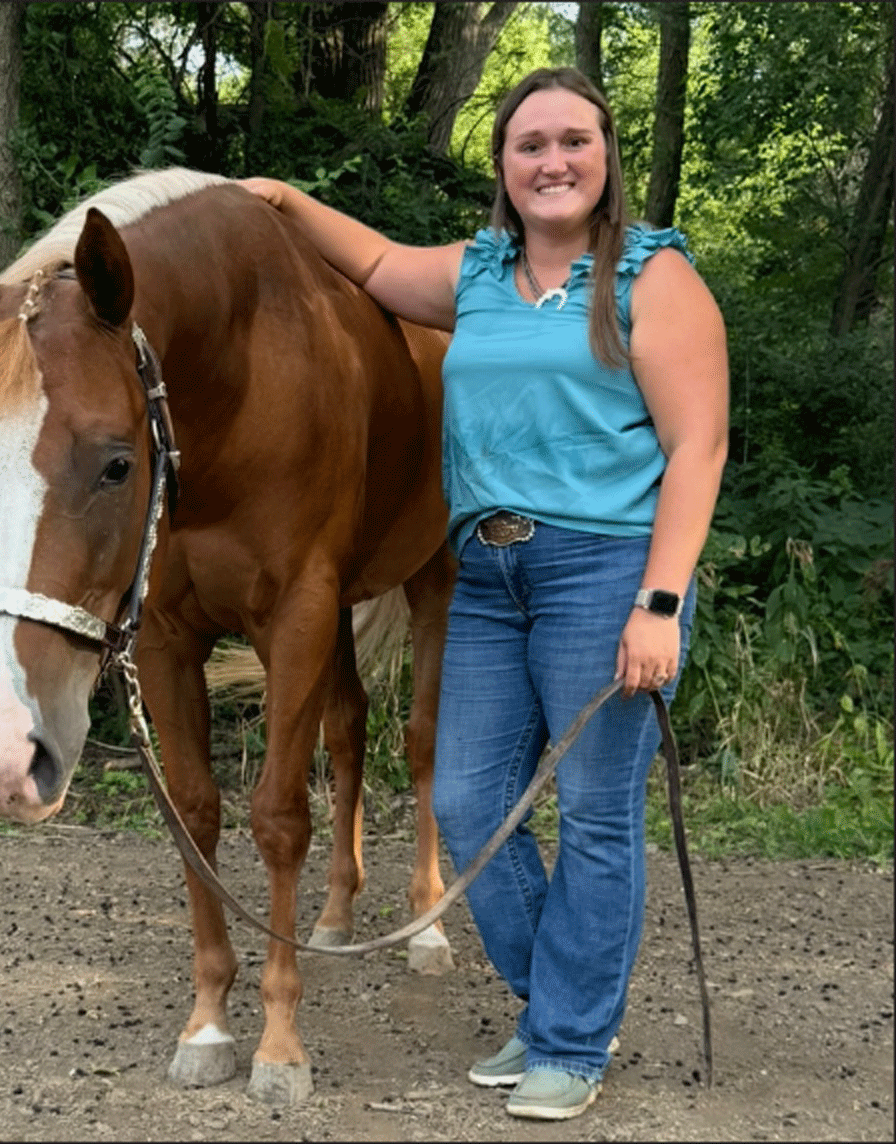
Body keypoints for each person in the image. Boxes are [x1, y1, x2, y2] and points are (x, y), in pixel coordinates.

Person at [240, 66, 728, 1121]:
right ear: (503, 168)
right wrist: (280, 199)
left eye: (574, 141)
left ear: (605, 157)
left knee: (597, 816)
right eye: (530, 145)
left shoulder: (654, 275)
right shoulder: (476, 272)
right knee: (465, 804)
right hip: (487, 574)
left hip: (603, 566)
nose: (553, 161)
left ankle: (568, 1038)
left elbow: (698, 446)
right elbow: (370, 262)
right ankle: (560, 1005)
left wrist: (662, 601)